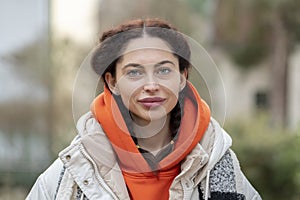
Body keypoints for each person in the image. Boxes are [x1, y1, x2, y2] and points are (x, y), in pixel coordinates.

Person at [26, 18, 261, 200]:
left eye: (164, 70)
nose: (151, 85)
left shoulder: (218, 163)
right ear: (112, 82)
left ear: (182, 78)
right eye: (134, 72)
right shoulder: (71, 170)